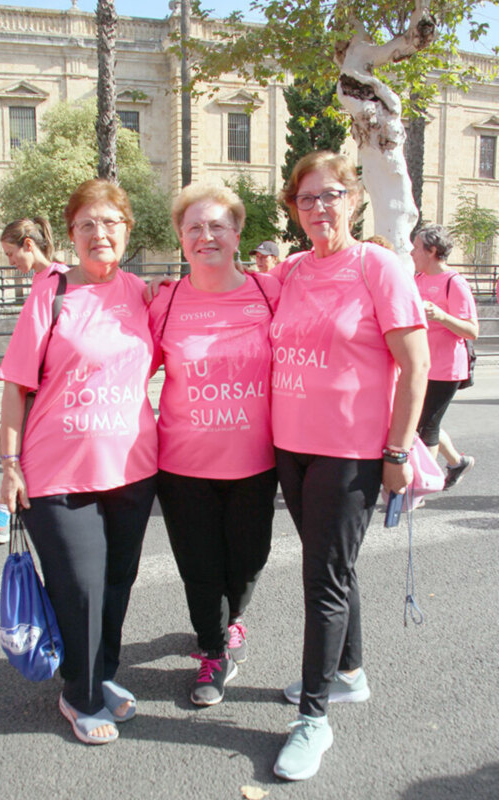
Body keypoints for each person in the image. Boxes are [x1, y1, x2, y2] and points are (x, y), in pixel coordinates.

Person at [270, 151, 430, 781]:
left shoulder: (379, 266)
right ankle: (350, 674)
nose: (318, 208)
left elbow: (415, 367)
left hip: (351, 452)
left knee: (322, 580)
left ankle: (313, 720)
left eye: (330, 195)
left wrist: (396, 452)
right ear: (294, 208)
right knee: (334, 566)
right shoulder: (291, 272)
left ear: (355, 199)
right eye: (305, 199)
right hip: (292, 447)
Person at [0, 179, 157, 745]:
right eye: (87, 224)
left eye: (110, 222)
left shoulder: (142, 294)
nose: (99, 233)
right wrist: (10, 464)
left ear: (127, 230)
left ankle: (100, 675)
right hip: (57, 472)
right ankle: (79, 695)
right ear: (71, 234)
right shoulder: (52, 291)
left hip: (134, 468)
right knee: (82, 586)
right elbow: (16, 385)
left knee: (117, 582)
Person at [148, 184, 280, 706]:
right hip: (183, 463)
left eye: (217, 226)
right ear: (181, 239)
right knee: (199, 565)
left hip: (257, 459)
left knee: (249, 559)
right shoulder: (165, 300)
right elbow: (124, 364)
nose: (207, 236)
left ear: (237, 234)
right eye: (194, 227)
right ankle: (211, 649)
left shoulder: (271, 292)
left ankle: (235, 618)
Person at [0, 217, 69, 544]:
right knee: (8, 447)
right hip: (34, 385)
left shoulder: (56, 278)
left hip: (43, 389)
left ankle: (5, 517)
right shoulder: (44, 278)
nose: (9, 261)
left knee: (13, 450)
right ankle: (4, 515)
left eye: (10, 253)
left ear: (28, 245)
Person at [412, 224, 478, 490]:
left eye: (417, 247)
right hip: (421, 365)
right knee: (423, 420)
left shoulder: (454, 282)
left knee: (427, 425)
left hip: (446, 368)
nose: (412, 251)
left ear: (432, 251)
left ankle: (423, 486)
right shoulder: (417, 279)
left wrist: (441, 315)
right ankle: (457, 461)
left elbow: (472, 330)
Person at [0, 216, 69, 283]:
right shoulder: (38, 278)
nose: (11, 263)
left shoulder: (61, 277)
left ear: (28, 245)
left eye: (10, 254)